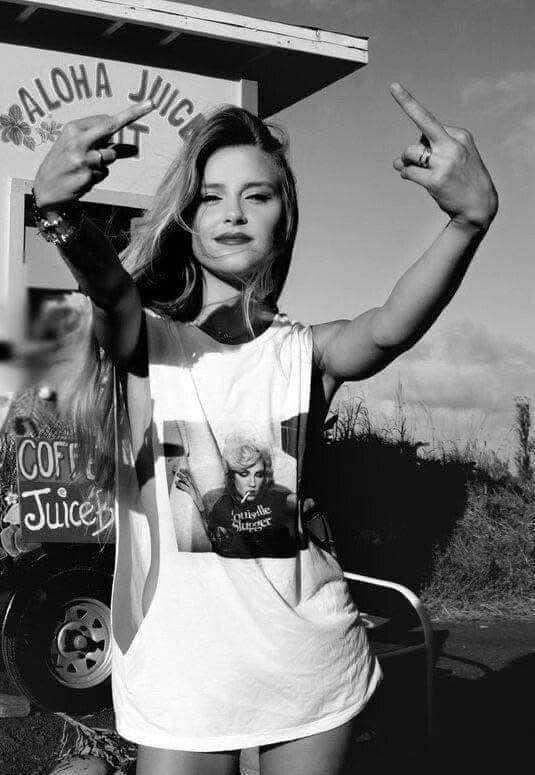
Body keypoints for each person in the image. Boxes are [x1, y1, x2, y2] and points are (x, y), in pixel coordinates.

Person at [31, 82, 497, 774]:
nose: (233, 212)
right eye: (211, 196)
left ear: (285, 219)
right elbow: (110, 292)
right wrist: (60, 214)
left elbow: (389, 327)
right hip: (179, 669)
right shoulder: (148, 343)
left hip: (307, 661)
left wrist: (468, 221)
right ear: (186, 218)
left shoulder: (308, 352)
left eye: (258, 195)